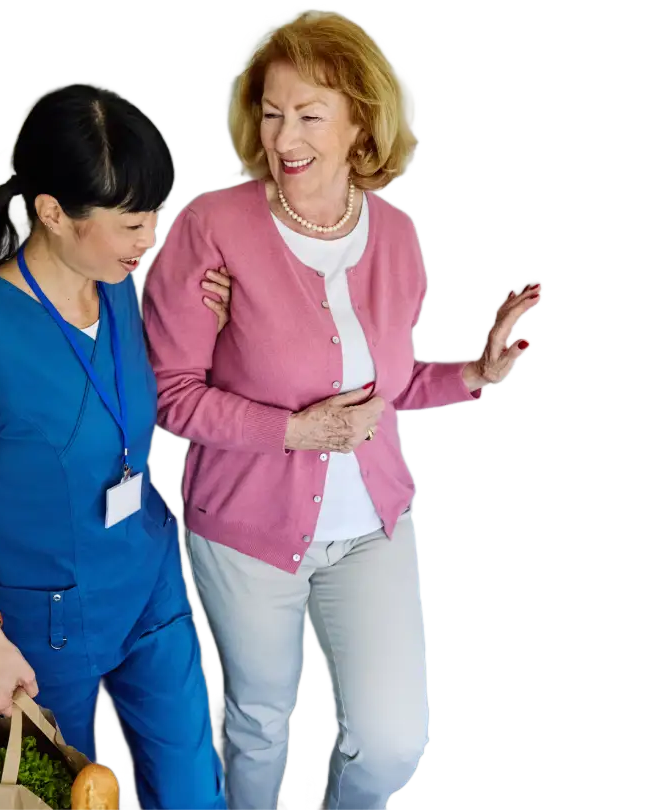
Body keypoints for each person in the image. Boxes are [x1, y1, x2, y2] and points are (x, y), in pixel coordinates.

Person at [141, 10, 542, 810]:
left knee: (394, 739)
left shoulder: (396, 236)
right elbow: (167, 394)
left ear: (361, 121)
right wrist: (292, 430)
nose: (285, 134)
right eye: (272, 111)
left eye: (310, 114)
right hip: (247, 530)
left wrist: (473, 372)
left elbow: (381, 393)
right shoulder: (212, 227)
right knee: (257, 723)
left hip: (372, 529)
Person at [0, 81, 233, 810]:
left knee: (192, 792)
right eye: (132, 223)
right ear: (53, 212)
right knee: (55, 798)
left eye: (155, 217)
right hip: (33, 629)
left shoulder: (114, 286)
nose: (150, 240)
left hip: (145, 587)